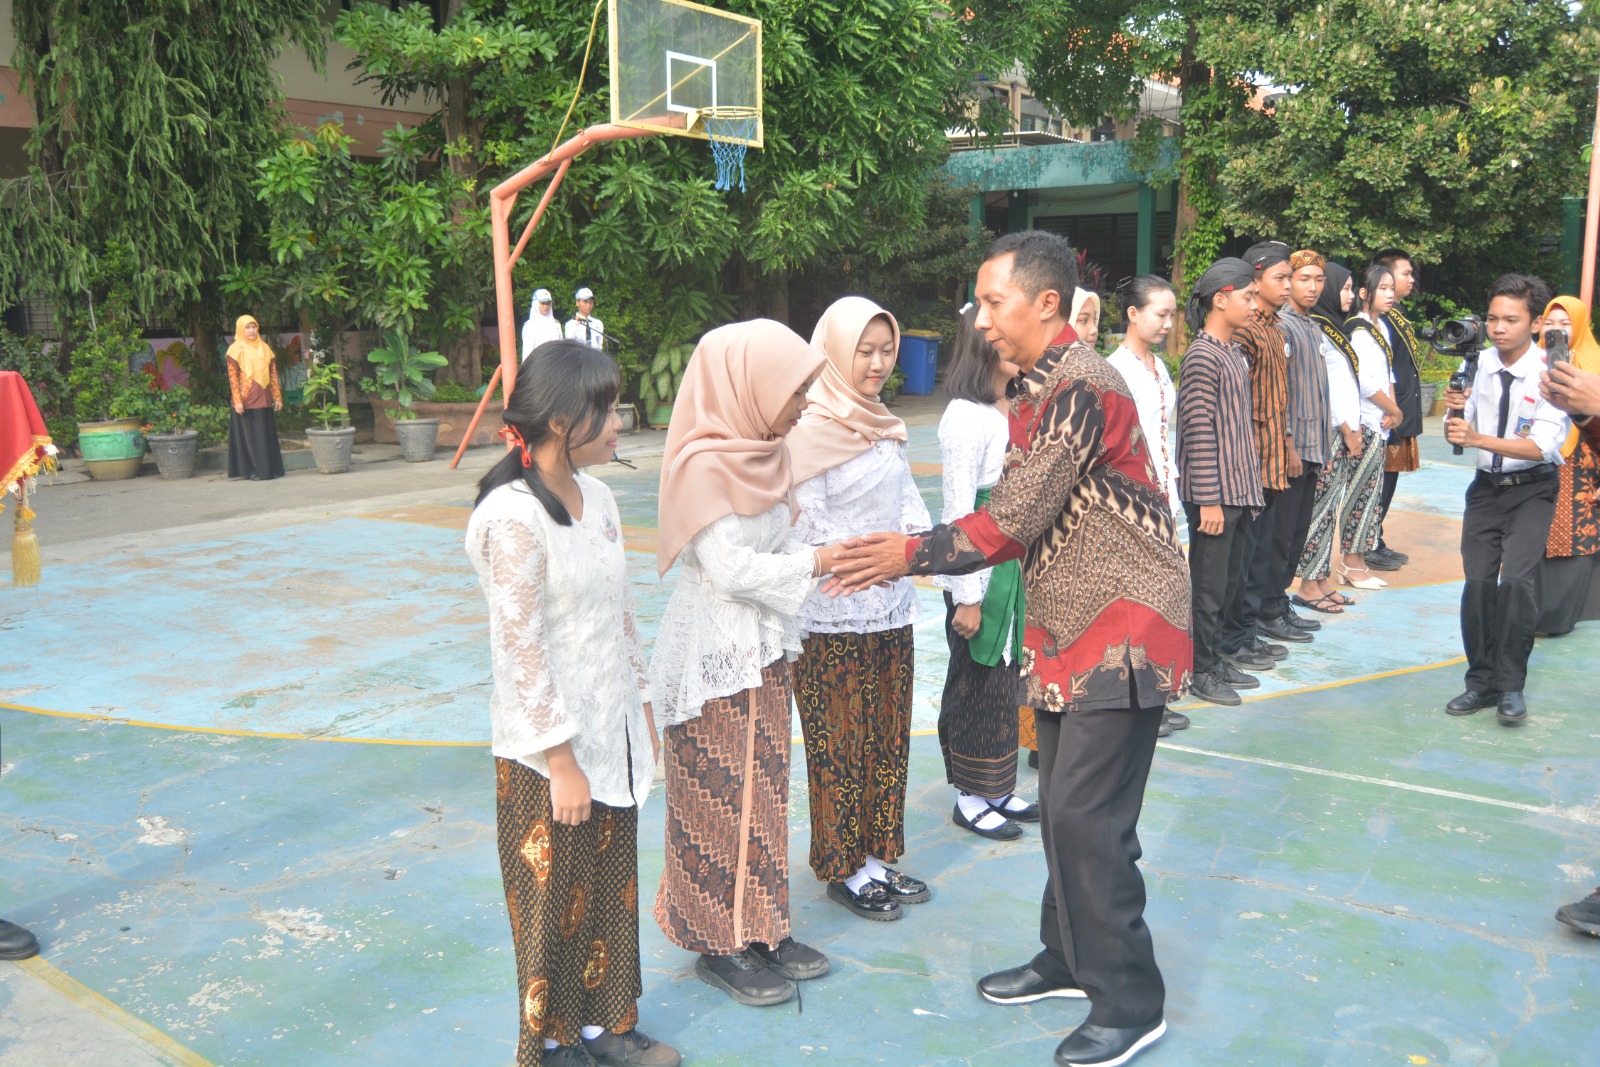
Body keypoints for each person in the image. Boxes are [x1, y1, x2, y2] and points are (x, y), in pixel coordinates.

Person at [826, 230, 1189, 1067]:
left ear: (1046, 304)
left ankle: (1131, 999)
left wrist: (907, 552)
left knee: (1086, 820)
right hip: (1070, 630)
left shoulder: (1078, 385)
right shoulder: (1034, 386)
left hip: (1124, 631)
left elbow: (1011, 520)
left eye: (993, 302)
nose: (980, 318)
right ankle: (1069, 955)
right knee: (1062, 805)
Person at [463, 339, 680, 1067]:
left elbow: (620, 613)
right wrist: (560, 757)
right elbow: (518, 648)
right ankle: (550, 1042)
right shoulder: (512, 517)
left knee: (612, 886)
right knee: (554, 902)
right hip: (546, 752)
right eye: (607, 408)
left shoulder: (604, 498)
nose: (619, 421)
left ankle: (603, 1024)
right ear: (561, 421)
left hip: (611, 731)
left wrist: (642, 709)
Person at [649, 320, 834, 1007]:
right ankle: (717, 940)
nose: (805, 405)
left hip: (765, 647)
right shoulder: (701, 464)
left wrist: (806, 558)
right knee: (716, 797)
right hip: (714, 656)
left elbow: (778, 546)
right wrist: (814, 562)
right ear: (748, 386)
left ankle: (763, 925)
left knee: (764, 793)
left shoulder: (768, 452)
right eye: (795, 390)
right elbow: (728, 568)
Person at [786, 295, 936, 922]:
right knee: (839, 743)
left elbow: (913, 512)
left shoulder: (884, 424)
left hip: (892, 606)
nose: (877, 365)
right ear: (832, 353)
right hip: (832, 612)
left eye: (886, 351)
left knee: (885, 737)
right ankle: (842, 864)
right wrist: (874, 559)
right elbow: (806, 528)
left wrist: (903, 554)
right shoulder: (807, 431)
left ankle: (876, 853)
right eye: (864, 352)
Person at [934, 305, 1041, 841]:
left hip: (1015, 562)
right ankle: (969, 795)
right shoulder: (965, 416)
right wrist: (968, 595)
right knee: (975, 678)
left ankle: (998, 785)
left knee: (1005, 681)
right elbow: (958, 512)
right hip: (981, 568)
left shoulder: (1017, 403)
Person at [1443, 273, 1568, 725]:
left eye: (1511, 320)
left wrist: (1477, 436)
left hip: (1533, 488)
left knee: (1515, 582)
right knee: (1477, 583)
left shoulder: (1553, 373)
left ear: (1534, 324)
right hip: (1485, 491)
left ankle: (1511, 685)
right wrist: (1455, 415)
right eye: (1493, 318)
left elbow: (1540, 446)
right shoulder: (1476, 366)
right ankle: (1480, 682)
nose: (1498, 328)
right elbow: (1459, 432)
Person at [1176, 258, 1264, 707]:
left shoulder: (1230, 352)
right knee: (1208, 590)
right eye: (1247, 297)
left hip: (1238, 491)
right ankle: (1199, 669)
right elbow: (1198, 430)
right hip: (1216, 496)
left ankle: (1213, 658)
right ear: (1221, 300)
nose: (1254, 304)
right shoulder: (1202, 355)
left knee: (1228, 583)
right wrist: (1208, 500)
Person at [1220, 242, 1306, 676]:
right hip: (1249, 464)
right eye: (1281, 278)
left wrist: (1288, 443)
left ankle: (1248, 632)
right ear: (1255, 279)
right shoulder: (1246, 332)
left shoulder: (1276, 330)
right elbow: (1239, 406)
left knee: (1263, 552)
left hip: (1272, 460)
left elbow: (1278, 398)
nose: (1288, 286)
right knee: (1241, 563)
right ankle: (1233, 639)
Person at [1265, 249, 1332, 635]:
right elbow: (1281, 393)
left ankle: (1281, 602)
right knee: (1281, 533)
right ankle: (1270, 608)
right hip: (1293, 448)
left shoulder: (1313, 326)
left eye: (1317, 280)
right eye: (1302, 279)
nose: (1310, 287)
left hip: (1314, 446)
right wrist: (1289, 443)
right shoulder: (1284, 327)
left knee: (1296, 533)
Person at [1295, 264, 1365, 614]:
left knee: (1329, 508)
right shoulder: (1319, 330)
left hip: (1342, 431)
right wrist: (1348, 429)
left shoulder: (1333, 328)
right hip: (1331, 432)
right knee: (1319, 511)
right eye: (1345, 288)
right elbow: (1328, 389)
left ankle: (1322, 580)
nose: (1350, 295)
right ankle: (1308, 585)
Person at [1337, 264, 1407, 590]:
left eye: (1392, 288)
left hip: (1381, 422)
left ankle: (1361, 562)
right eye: (1382, 288)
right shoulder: (1361, 331)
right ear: (1365, 294)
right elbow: (1366, 383)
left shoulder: (1383, 327)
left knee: (1372, 495)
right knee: (1359, 495)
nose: (1390, 294)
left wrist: (1394, 412)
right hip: (1365, 421)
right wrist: (1393, 409)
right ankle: (1351, 564)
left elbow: (1388, 374)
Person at [1534, 295, 1600, 635]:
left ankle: (1560, 617)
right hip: (1537, 456)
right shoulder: (1531, 359)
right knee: (1534, 535)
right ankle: (1531, 613)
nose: (1556, 330)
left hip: (1581, 462)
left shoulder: (1593, 361)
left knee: (1571, 538)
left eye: (1565, 323)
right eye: (1550, 323)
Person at [1366, 248, 1424, 572]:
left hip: (1399, 410)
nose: (1410, 280)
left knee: (1389, 479)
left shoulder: (1395, 315)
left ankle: (1377, 538)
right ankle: (1369, 543)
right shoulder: (1379, 320)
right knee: (1380, 480)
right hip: (1389, 413)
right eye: (1406, 273)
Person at [1105, 275, 1182, 519]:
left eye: (1172, 315)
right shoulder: (1116, 368)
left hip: (1165, 484)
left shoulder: (1158, 363)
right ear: (1133, 313)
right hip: (1132, 493)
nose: (1169, 324)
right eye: (1161, 315)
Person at [225, 314, 285, 482]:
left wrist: (277, 397)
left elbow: (273, 375)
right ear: (240, 329)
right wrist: (237, 400)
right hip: (246, 400)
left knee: (264, 436)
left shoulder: (264, 347)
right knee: (251, 438)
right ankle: (253, 471)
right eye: (247, 327)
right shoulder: (235, 350)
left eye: (254, 327)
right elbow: (233, 378)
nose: (251, 331)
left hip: (264, 398)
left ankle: (269, 469)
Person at [521, 288, 563, 357]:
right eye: (543, 303)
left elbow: (561, 349)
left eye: (548, 303)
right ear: (535, 304)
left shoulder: (556, 325)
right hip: (538, 365)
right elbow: (527, 355)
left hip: (556, 365)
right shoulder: (529, 327)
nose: (546, 306)